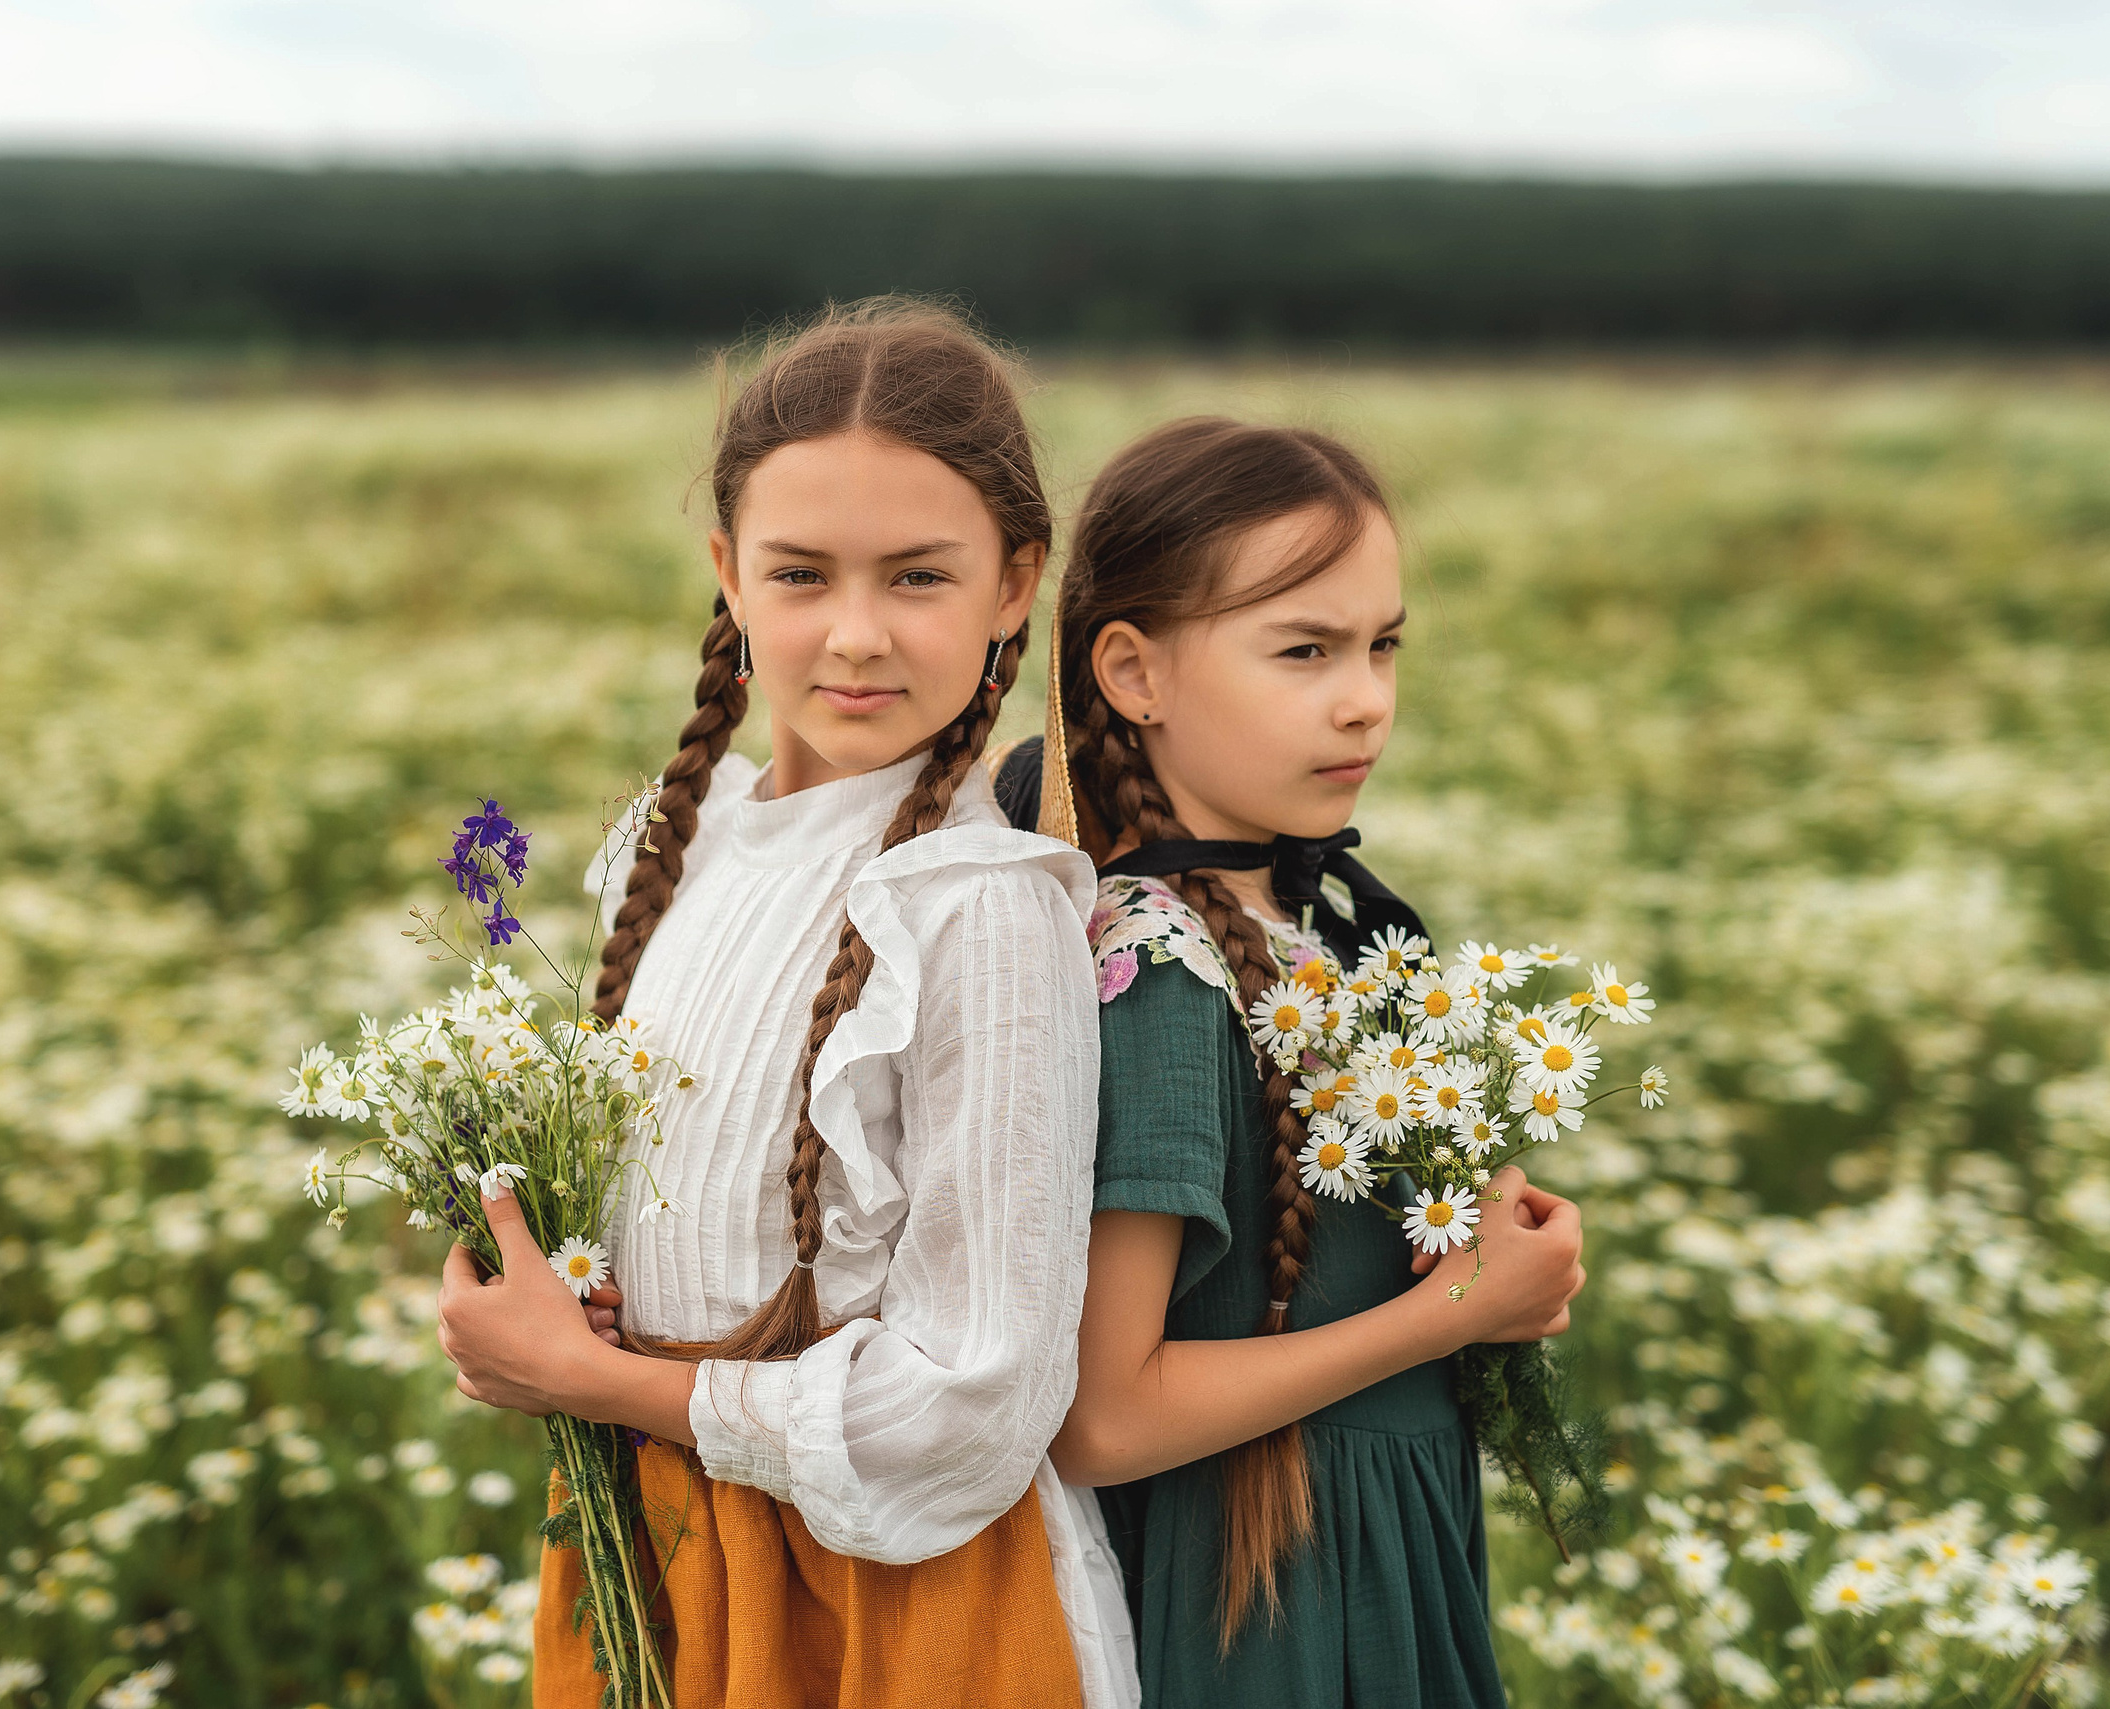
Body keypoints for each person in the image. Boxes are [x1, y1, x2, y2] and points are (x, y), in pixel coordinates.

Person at [435, 300, 1135, 1709]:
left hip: (892, 1607)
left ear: (1017, 584)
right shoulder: (680, 845)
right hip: (669, 1555)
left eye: (920, 578)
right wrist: (532, 1316)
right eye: (802, 573)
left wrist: (609, 1385)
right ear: (728, 574)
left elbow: (975, 1397)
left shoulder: (980, 904)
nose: (857, 634)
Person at [999, 417, 1586, 1708]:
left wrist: (1475, 1240)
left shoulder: (1308, 924)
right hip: (1263, 1614)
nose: (1364, 695)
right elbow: (1106, 1413)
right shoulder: (1159, 973)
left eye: (1383, 644)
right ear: (1134, 672)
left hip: (1369, 1558)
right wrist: (1456, 1311)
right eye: (1304, 649)